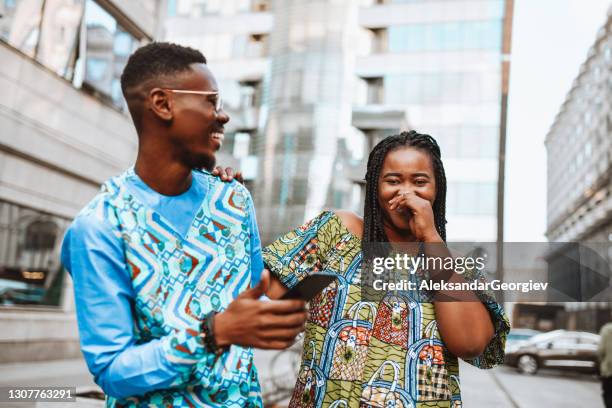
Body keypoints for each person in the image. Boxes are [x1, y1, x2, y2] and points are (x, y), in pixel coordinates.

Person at [60, 42, 307, 407]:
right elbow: (112, 371)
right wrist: (214, 333)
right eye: (211, 101)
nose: (223, 116)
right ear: (163, 104)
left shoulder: (234, 201)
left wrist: (285, 310)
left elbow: (256, 292)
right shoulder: (100, 227)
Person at [263, 131, 510, 407]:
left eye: (420, 182)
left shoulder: (458, 266)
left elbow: (470, 344)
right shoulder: (336, 230)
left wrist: (430, 238)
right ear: (374, 188)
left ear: (436, 188)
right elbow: (266, 289)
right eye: (393, 181)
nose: (406, 192)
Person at [599, 322, 612, 407]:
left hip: (609, 370)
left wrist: (602, 363)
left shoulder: (607, 330)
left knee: (608, 395)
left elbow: (600, 350)